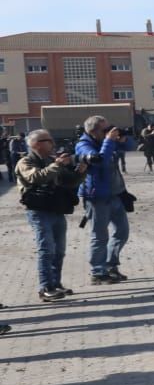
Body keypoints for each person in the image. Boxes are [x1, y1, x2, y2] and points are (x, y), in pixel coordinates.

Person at [16, 129, 85, 301]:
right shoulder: (25, 162)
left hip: (56, 208)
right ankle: (45, 287)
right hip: (38, 211)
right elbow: (36, 178)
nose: (53, 144)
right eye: (49, 140)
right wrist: (57, 164)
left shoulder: (50, 160)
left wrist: (81, 171)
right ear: (36, 144)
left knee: (59, 251)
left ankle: (55, 284)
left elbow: (69, 182)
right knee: (46, 250)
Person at [76, 115, 131, 284]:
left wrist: (121, 139)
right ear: (93, 131)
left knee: (122, 232)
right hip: (97, 198)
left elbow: (132, 146)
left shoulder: (107, 141)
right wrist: (109, 141)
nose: (108, 132)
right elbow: (99, 161)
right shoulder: (83, 145)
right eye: (104, 129)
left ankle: (110, 265)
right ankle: (97, 272)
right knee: (99, 236)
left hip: (116, 195)